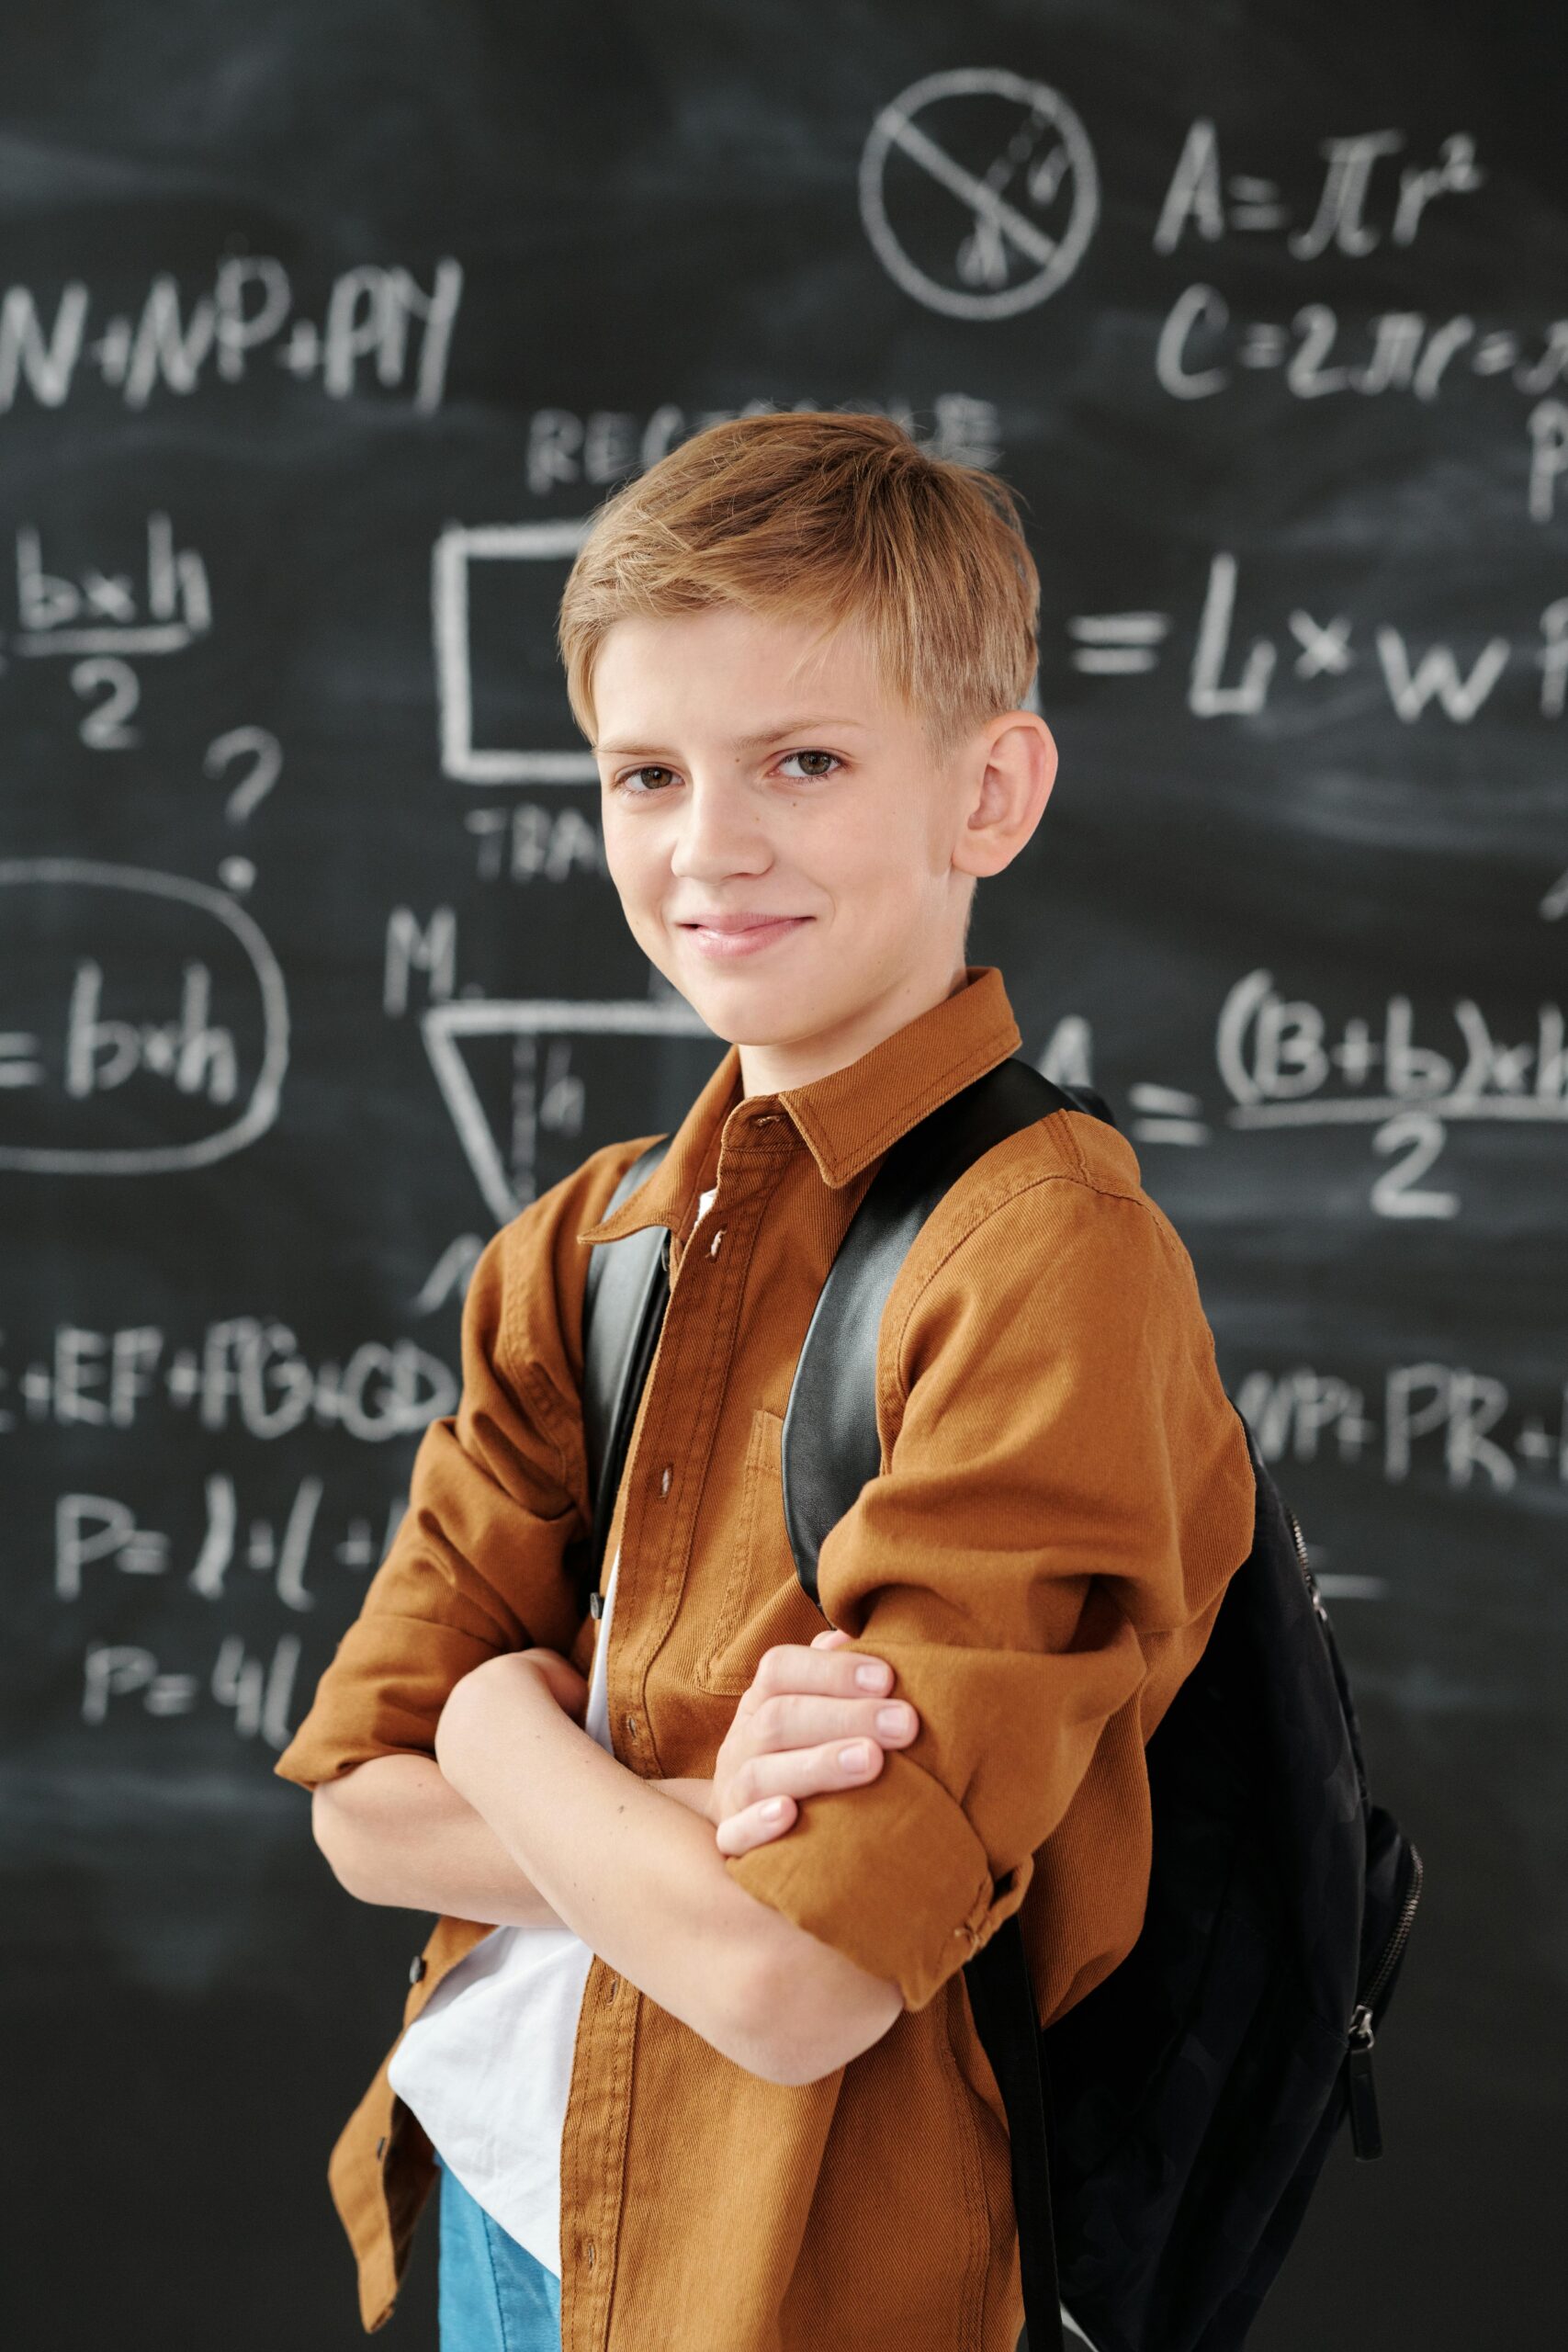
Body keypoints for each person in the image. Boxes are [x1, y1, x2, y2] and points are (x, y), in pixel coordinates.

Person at [273, 409, 1258, 2352]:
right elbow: (351, 1809)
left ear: (989, 791)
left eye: (799, 761)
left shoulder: (1041, 1256)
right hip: (506, 2190)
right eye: (646, 771)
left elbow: (791, 1977)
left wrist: (487, 1710)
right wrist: (662, 1787)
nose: (705, 844)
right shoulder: (583, 1246)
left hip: (800, 2265)